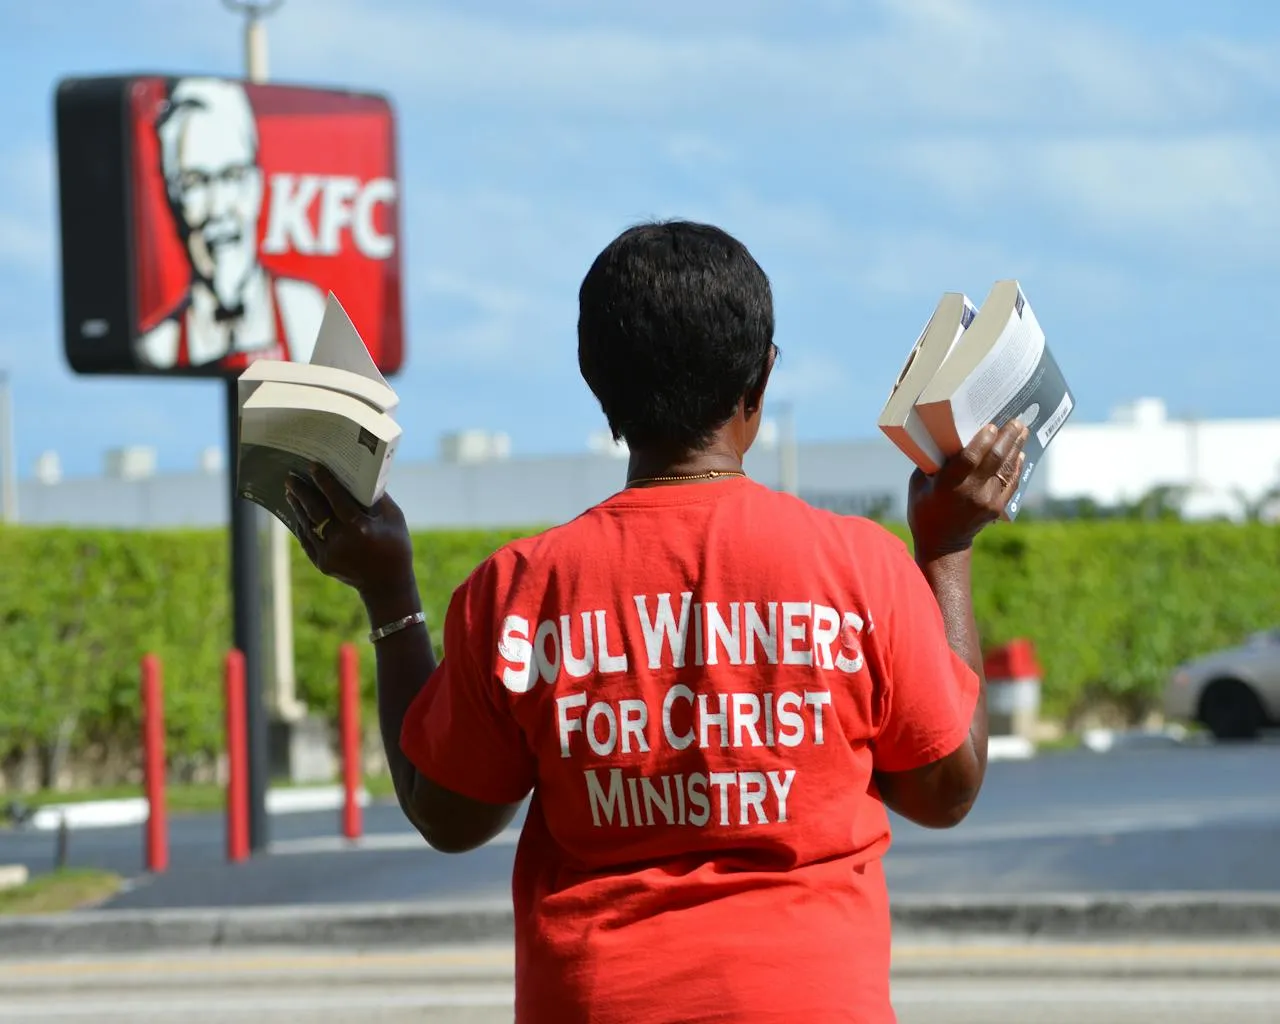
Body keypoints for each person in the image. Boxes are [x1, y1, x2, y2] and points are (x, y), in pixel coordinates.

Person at [285, 220, 1028, 1023]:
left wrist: (390, 592)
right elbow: (946, 788)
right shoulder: (862, 568)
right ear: (760, 381)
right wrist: (947, 549)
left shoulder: (519, 589)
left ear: (595, 381)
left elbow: (449, 812)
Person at [136, 77, 325, 371]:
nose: (218, 207)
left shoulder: (307, 315)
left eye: (232, 176)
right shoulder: (159, 347)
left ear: (257, 184)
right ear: (172, 198)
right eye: (195, 182)